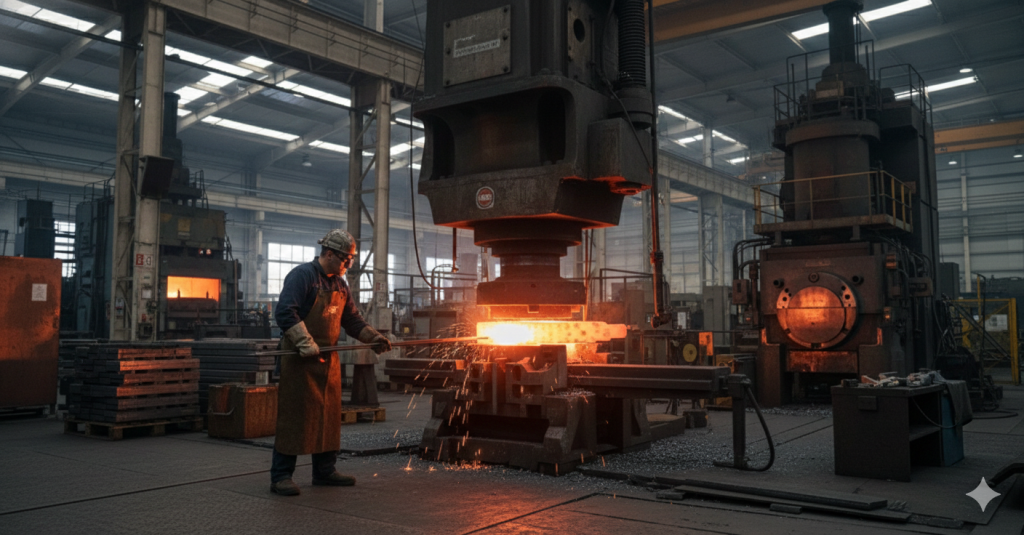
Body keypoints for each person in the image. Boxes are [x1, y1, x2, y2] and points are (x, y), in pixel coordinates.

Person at [270, 229, 392, 496]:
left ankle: (324, 471)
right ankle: (281, 476)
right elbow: (284, 311)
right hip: (299, 359)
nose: (348, 266)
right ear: (328, 253)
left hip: (327, 361)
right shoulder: (303, 276)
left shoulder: (339, 284)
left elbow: (351, 320)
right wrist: (305, 343)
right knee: (295, 417)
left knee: (327, 417)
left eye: (350, 260)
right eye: (345, 260)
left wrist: (373, 338)